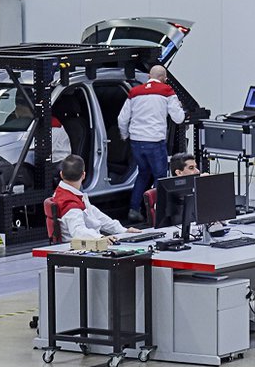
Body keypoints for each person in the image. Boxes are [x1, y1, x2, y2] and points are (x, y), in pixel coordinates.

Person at [123, 65, 188, 222]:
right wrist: (179, 107)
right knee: (160, 177)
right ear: (164, 78)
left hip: (136, 141)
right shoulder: (167, 91)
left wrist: (125, 135)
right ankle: (158, 212)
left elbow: (122, 118)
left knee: (143, 173)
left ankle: (134, 209)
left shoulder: (134, 92)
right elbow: (178, 118)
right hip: (154, 142)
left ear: (148, 77)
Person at [49, 154, 124, 243]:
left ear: (61, 174)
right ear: (83, 175)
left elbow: (95, 214)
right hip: (79, 247)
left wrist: (122, 230)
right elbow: (78, 231)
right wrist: (100, 237)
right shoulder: (70, 204)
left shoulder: (64, 194)